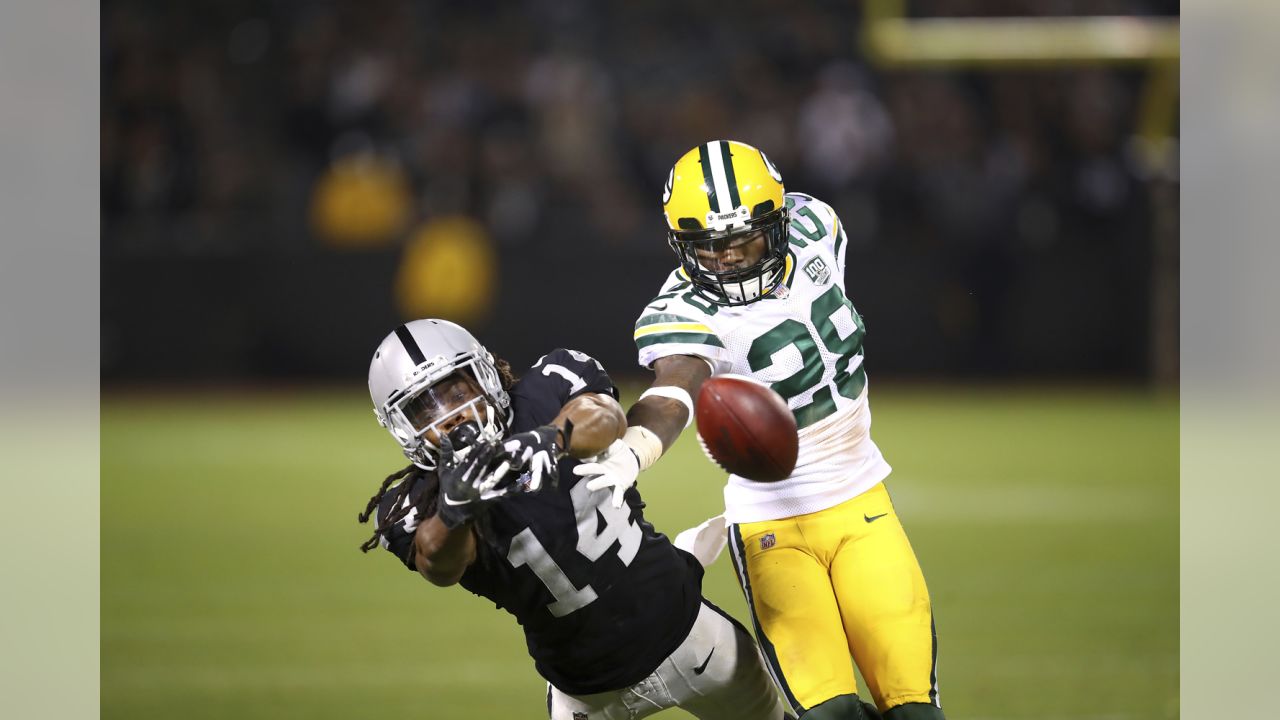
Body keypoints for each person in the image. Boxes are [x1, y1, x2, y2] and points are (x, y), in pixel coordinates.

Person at [582, 141, 945, 720]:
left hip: (862, 502)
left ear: (775, 223)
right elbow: (673, 390)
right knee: (830, 715)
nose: (727, 259)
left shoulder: (815, 226)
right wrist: (632, 454)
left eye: (743, 239)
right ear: (682, 244)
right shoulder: (683, 310)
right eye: (709, 246)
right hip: (770, 523)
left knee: (914, 711)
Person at [357, 318, 787, 720]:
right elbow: (440, 564)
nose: (451, 416)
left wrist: (548, 439)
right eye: (424, 410)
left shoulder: (547, 389)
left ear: (484, 373)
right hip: (586, 696)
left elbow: (606, 418)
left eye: (455, 393)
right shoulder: (413, 501)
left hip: (692, 636)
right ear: (401, 428)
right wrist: (456, 508)